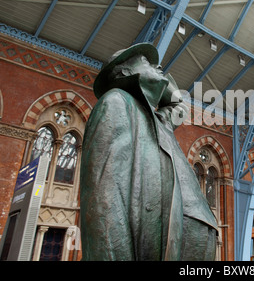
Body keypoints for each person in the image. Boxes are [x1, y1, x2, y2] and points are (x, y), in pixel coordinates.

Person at [80, 43, 218, 260]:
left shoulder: (155, 119)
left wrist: (164, 87)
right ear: (125, 72)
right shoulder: (116, 102)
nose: (159, 66)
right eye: (146, 62)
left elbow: (179, 109)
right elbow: (104, 199)